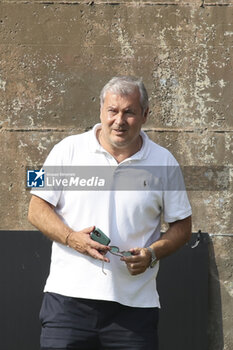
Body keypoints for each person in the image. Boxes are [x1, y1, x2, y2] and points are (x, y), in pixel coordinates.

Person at [28, 76, 192, 350]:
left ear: (145, 115)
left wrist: (152, 254)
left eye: (129, 112)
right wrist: (72, 238)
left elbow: (183, 227)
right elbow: (35, 209)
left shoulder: (165, 162)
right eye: (112, 111)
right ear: (101, 111)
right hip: (67, 302)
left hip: (135, 309)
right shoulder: (66, 150)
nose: (119, 120)